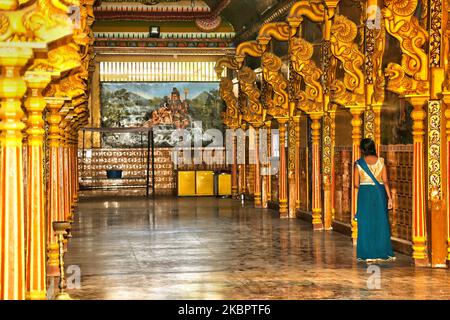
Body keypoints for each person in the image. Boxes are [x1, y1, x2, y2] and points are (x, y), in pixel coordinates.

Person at [354, 138, 395, 264]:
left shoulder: (359, 164)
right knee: (381, 222)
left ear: (362, 150)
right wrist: (390, 198)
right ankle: (382, 252)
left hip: (365, 194)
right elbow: (386, 181)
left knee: (366, 223)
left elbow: (356, 184)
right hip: (379, 193)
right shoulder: (381, 162)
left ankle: (367, 254)